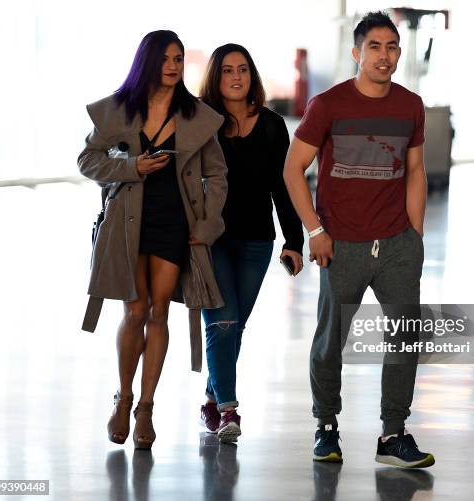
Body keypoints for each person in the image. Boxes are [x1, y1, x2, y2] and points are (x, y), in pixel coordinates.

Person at [284, 12, 435, 467]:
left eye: (391, 47)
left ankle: (393, 434)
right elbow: (293, 170)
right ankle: (326, 427)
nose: (384, 56)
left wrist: (416, 236)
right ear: (357, 52)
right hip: (341, 244)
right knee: (331, 340)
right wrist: (315, 230)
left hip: (396, 245)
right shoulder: (329, 105)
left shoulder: (410, 105)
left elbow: (414, 171)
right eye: (375, 47)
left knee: (405, 338)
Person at [78, 30, 228, 449]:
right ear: (147, 61)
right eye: (165, 58)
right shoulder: (117, 110)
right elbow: (87, 160)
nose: (173, 65)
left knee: (159, 310)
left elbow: (217, 174)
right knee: (135, 309)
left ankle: (146, 406)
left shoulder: (196, 115)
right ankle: (122, 398)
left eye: (179, 58)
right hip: (128, 221)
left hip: (175, 223)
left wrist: (207, 222)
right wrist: (132, 167)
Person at [198, 43, 304, 443]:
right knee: (222, 322)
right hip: (211, 240)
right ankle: (228, 411)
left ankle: (212, 395)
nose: (237, 77)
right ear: (216, 77)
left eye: (243, 69)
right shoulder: (201, 121)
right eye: (227, 71)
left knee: (234, 326)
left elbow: (283, 184)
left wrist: (295, 240)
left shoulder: (273, 124)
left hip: (257, 240)